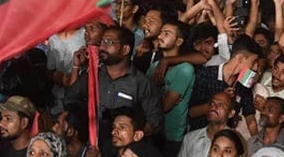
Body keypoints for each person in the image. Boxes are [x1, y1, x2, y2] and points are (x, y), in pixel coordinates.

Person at [64, 26, 162, 156]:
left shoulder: (141, 83)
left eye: (109, 42)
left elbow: (154, 122)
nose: (102, 47)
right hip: (93, 148)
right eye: (102, 41)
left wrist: (129, 139)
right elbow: (70, 99)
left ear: (125, 49)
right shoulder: (93, 76)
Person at [146, 20, 195, 156]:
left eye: (166, 34)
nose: (160, 36)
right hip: (152, 131)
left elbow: (166, 106)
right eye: (161, 32)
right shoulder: (155, 66)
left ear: (179, 41)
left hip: (171, 137)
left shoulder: (185, 69)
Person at [179, 92, 237, 157]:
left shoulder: (236, 141)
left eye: (220, 105)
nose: (214, 107)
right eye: (211, 103)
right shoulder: (190, 139)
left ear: (231, 113)